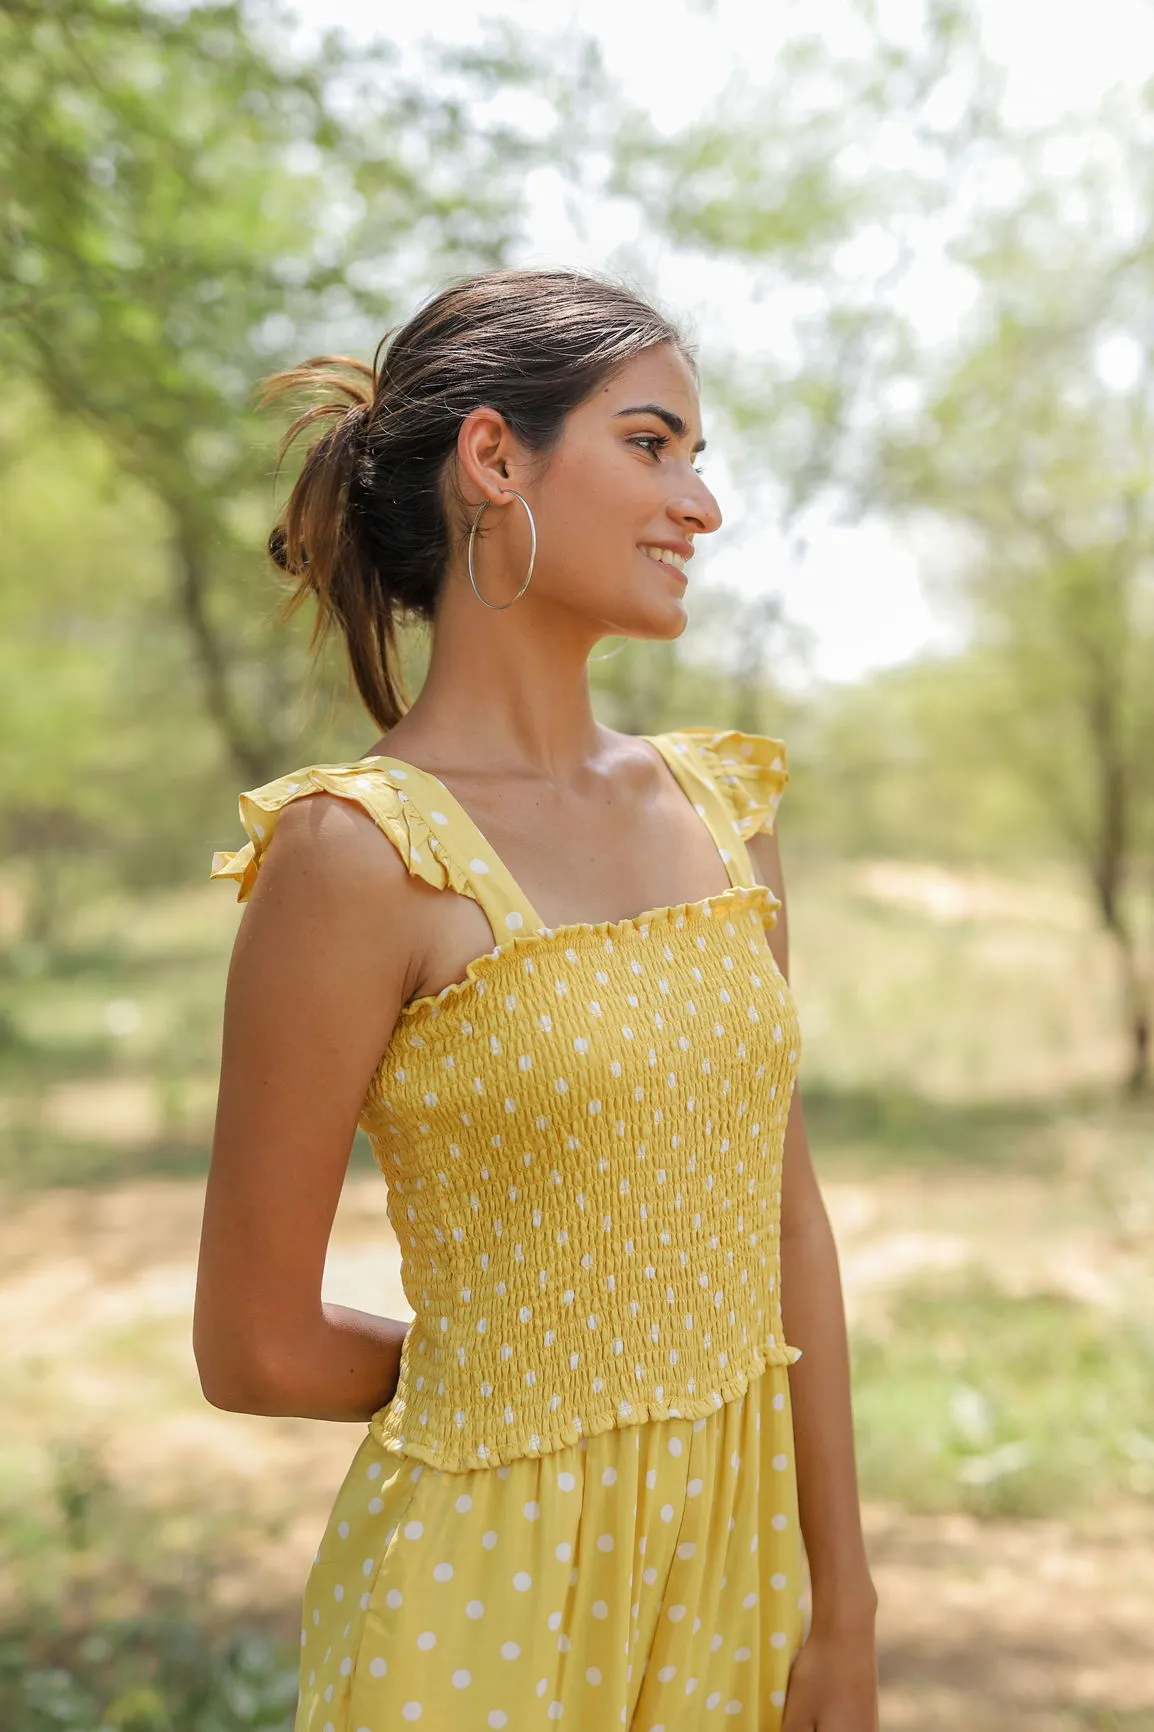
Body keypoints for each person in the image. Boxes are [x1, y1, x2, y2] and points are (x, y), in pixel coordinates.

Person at [195, 266, 878, 1731]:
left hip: (736, 1568)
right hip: (477, 1596)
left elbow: (785, 1222)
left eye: (696, 456)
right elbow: (253, 1346)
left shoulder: (722, 809)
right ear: (494, 457)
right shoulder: (357, 854)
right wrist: (516, 1385)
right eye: (649, 443)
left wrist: (846, 1605)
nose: (697, 503)